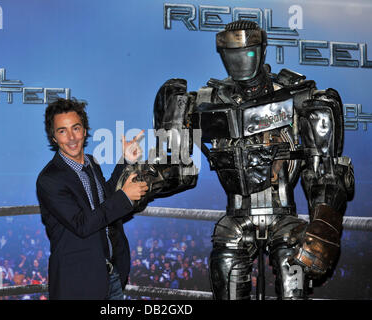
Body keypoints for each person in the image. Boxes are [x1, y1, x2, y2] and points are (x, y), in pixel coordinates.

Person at [123, 20, 354, 299]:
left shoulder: (297, 96)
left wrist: (324, 228)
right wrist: (139, 184)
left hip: (283, 215)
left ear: (261, 50)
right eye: (233, 54)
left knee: (290, 264)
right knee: (226, 263)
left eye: (248, 52)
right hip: (236, 218)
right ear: (222, 54)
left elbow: (325, 173)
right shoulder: (206, 101)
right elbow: (176, 167)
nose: (241, 61)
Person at [36, 98, 148, 299]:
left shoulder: (91, 163)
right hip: (78, 283)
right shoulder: (49, 180)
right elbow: (82, 224)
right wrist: (124, 197)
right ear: (53, 137)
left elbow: (105, 199)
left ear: (85, 130)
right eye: (62, 131)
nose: (71, 137)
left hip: (111, 276)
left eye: (76, 128)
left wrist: (126, 161)